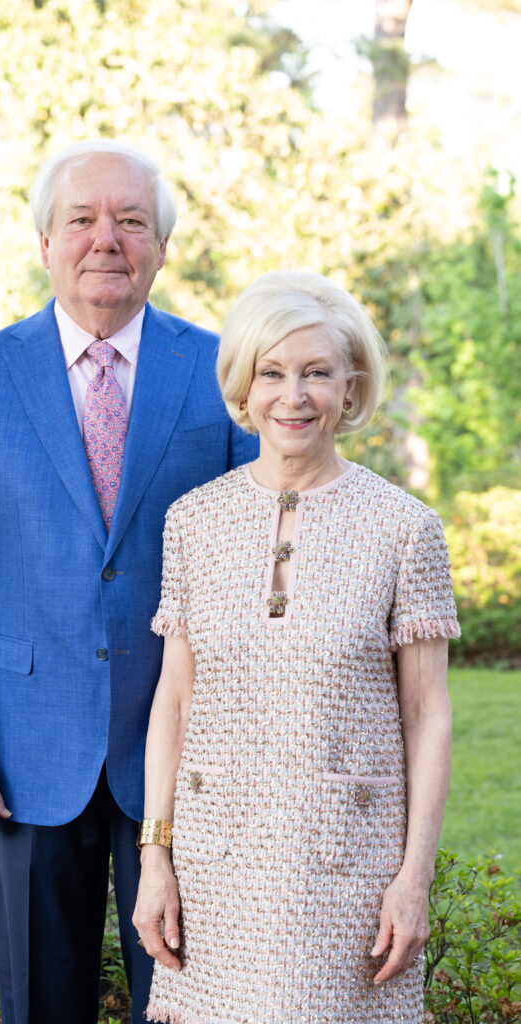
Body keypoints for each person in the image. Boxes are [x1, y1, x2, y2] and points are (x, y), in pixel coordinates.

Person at [0, 139, 257, 1024]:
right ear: (43, 244)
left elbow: (259, 564)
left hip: (187, 758)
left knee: (185, 999)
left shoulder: (223, 373)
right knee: (39, 1004)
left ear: (162, 248)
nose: (106, 239)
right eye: (82, 220)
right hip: (25, 755)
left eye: (130, 221)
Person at [133, 269, 460, 1023]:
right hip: (215, 872)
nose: (293, 395)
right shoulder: (192, 522)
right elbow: (175, 702)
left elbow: (428, 716)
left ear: (350, 390)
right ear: (242, 389)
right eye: (271, 372)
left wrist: (413, 881)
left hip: (346, 871)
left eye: (316, 372)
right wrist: (156, 858)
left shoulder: (404, 528)